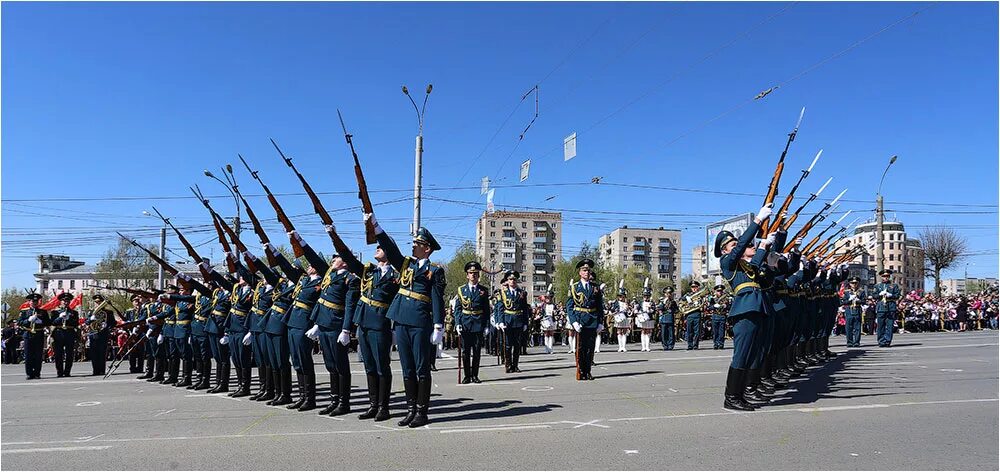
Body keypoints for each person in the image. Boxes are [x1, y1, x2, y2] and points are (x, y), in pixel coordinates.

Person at [368, 212, 446, 428]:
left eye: (417, 243)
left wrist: (438, 325)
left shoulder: (435, 271)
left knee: (422, 368)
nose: (413, 246)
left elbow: (437, 299)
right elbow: (391, 250)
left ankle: (422, 411)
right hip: (401, 320)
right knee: (407, 368)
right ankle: (411, 409)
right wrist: (376, 226)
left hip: (420, 322)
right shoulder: (406, 265)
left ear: (427, 248)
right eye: (413, 243)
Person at [326, 223, 397, 422]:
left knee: (382, 367)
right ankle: (373, 405)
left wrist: (394, 328)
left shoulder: (397, 275)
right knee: (369, 366)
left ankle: (384, 407)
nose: (377, 249)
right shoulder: (369, 271)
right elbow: (348, 257)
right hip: (363, 323)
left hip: (380, 324)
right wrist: (334, 236)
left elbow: (397, 302)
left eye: (381, 247)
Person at [716, 204, 773, 411]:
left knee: (753, 353)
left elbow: (757, 265)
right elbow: (741, 247)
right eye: (732, 244)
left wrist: (764, 246)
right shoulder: (727, 262)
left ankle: (742, 393)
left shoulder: (744, 266)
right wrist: (757, 221)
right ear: (724, 250)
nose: (737, 245)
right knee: (741, 354)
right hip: (744, 311)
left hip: (757, 308)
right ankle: (731, 397)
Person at [307, 250, 360, 416]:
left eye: (336, 257)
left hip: (336, 326)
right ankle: (334, 400)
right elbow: (322, 300)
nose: (333, 259)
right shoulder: (330, 275)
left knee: (341, 366)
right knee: (330, 365)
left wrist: (346, 329)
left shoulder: (351, 280)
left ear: (344, 262)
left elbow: (350, 306)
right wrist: (316, 323)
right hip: (324, 324)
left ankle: (344, 403)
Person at [566, 258, 605, 381]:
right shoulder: (574, 287)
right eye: (584, 270)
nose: (586, 272)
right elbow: (569, 306)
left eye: (588, 270)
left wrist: (600, 322)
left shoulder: (595, 287)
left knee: (590, 348)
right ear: (580, 272)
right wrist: (574, 322)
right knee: (580, 348)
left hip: (592, 320)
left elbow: (600, 306)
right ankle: (581, 370)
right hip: (580, 320)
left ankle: (588, 371)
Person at [455, 261, 491, 384]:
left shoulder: (484, 290)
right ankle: (467, 375)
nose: (473, 275)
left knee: (476, 351)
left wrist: (486, 325)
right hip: (465, 323)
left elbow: (486, 310)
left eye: (475, 273)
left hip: (478, 323)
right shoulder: (461, 290)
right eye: (471, 273)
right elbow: (458, 309)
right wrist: (458, 323)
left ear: (478, 275)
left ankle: (475, 375)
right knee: (465, 351)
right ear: (467, 275)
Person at [493, 270, 530, 373]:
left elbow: (525, 309)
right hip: (507, 321)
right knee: (508, 345)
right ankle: (508, 365)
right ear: (507, 281)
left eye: (514, 279)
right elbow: (500, 308)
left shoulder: (522, 293)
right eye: (510, 279)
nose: (512, 281)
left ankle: (515, 365)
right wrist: (500, 321)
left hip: (518, 321)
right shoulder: (503, 293)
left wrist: (525, 323)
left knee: (517, 345)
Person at [19, 292, 50, 379]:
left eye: (36, 301)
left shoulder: (43, 312)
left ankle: (37, 373)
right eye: (33, 301)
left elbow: (48, 322)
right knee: (28, 355)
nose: (34, 303)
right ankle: (29, 373)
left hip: (39, 334)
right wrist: (28, 320)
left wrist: (41, 322)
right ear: (29, 302)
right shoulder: (24, 312)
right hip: (28, 334)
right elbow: (20, 322)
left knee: (38, 355)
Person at [87, 294, 118, 377]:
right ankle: (95, 370)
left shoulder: (108, 312)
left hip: (103, 334)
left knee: (102, 352)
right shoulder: (91, 312)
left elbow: (113, 323)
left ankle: (101, 370)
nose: (98, 304)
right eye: (96, 302)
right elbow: (86, 322)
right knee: (93, 353)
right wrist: (90, 319)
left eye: (100, 302)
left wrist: (107, 326)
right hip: (93, 333)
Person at [50, 292, 80, 377]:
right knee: (58, 354)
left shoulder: (74, 313)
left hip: (69, 333)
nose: (66, 302)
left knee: (69, 354)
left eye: (67, 301)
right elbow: (52, 322)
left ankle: (67, 371)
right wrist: (60, 318)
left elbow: (76, 323)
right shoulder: (55, 312)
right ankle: (59, 372)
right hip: (58, 333)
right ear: (60, 301)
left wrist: (69, 318)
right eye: (64, 301)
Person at [873, 269, 901, 347]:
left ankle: (888, 341)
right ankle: (881, 341)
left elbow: (898, 295)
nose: (886, 278)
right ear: (881, 277)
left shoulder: (894, 285)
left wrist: (891, 295)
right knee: (880, 325)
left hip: (891, 307)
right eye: (884, 276)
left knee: (889, 325)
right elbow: (874, 296)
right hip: (881, 307)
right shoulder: (877, 286)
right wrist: (879, 294)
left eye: (887, 276)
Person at [681, 281, 706, 350]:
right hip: (689, 315)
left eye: (695, 287)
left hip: (697, 314)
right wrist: (686, 298)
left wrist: (698, 302)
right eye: (692, 287)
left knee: (697, 331)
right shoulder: (688, 295)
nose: (694, 288)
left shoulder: (700, 295)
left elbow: (703, 303)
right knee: (689, 331)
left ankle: (695, 345)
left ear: (697, 287)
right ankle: (690, 345)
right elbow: (682, 301)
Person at [841, 277, 865, 347]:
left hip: (857, 309)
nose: (854, 284)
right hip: (849, 310)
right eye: (852, 283)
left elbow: (864, 301)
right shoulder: (846, 292)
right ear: (850, 284)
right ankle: (849, 342)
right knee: (848, 327)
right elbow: (843, 302)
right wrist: (849, 300)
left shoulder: (861, 291)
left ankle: (857, 342)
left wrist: (858, 300)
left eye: (855, 283)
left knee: (857, 327)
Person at [706, 284, 731, 350]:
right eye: (718, 291)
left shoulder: (726, 298)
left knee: (721, 332)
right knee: (715, 331)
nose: (719, 292)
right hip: (715, 315)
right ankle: (715, 344)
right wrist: (714, 306)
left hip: (722, 316)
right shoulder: (712, 299)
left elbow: (730, 307)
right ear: (716, 291)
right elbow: (709, 308)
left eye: (721, 291)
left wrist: (726, 306)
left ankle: (721, 344)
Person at [636, 284, 656, 352]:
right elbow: (637, 309)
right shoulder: (641, 302)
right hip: (642, 318)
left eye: (647, 296)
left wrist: (650, 309)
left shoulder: (652, 303)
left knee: (648, 331)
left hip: (649, 318)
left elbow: (654, 311)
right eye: (644, 296)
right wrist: (637, 311)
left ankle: (647, 346)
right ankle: (643, 346)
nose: (646, 297)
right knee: (643, 331)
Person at [612, 283, 631, 352]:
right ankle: (620, 347)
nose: (621, 297)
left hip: (624, 317)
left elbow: (629, 311)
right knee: (619, 331)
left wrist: (627, 307)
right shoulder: (616, 303)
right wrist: (615, 311)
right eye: (620, 296)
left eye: (622, 296)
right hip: (618, 317)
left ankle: (624, 346)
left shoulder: (626, 303)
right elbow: (612, 309)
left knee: (624, 331)